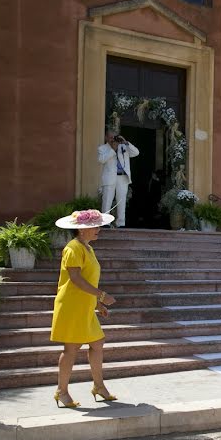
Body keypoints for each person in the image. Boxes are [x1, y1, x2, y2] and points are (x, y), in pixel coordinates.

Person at [50, 209, 118, 408]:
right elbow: (76, 279)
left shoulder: (87, 247)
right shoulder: (73, 248)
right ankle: (61, 391)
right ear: (81, 230)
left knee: (97, 343)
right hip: (72, 306)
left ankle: (99, 386)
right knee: (71, 349)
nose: (98, 229)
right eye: (93, 227)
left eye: (97, 226)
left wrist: (97, 304)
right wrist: (102, 296)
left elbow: (87, 279)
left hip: (84, 306)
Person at [98, 129, 140, 228]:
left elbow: (136, 153)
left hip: (122, 177)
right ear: (106, 138)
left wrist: (125, 142)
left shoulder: (123, 146)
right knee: (107, 200)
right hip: (110, 178)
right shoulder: (103, 148)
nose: (113, 139)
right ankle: (105, 222)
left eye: (115, 137)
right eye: (111, 137)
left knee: (121, 200)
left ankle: (121, 223)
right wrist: (112, 149)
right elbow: (101, 160)